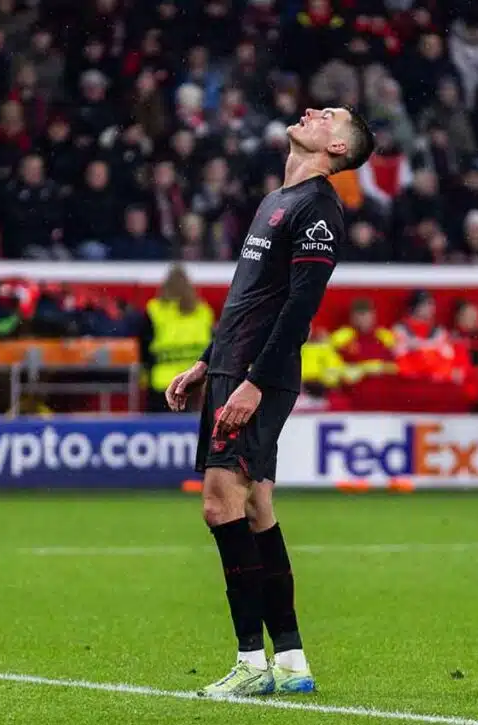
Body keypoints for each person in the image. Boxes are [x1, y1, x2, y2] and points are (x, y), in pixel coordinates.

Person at [164, 105, 374, 697]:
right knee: (255, 507)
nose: (312, 113)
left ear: (337, 148)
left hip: (257, 375)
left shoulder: (318, 210)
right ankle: (290, 660)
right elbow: (250, 296)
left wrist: (254, 381)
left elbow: (299, 308)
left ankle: (250, 661)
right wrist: (207, 361)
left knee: (219, 503)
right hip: (233, 367)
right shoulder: (276, 201)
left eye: (328, 116)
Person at [140, 265, 213, 413]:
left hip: (163, 382)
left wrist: (143, 377)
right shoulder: (203, 311)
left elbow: (144, 348)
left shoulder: (155, 310)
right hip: (195, 383)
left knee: (161, 424)